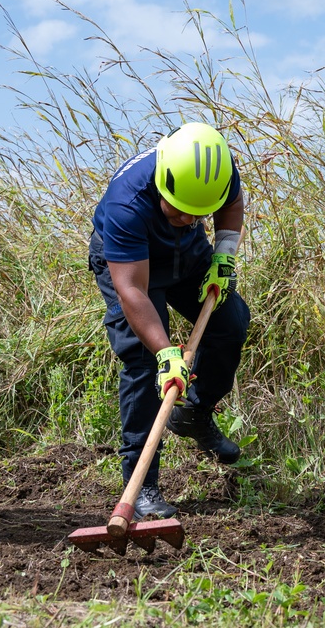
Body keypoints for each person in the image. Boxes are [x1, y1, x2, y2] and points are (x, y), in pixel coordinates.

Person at [89, 122, 251, 519]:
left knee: (230, 324)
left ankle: (195, 412)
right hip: (132, 265)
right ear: (164, 182)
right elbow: (132, 291)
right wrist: (166, 353)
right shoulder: (126, 204)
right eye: (177, 209)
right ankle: (141, 486)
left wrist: (224, 254)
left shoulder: (214, 170)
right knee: (144, 364)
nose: (184, 216)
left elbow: (231, 203)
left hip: (188, 255)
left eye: (195, 213)